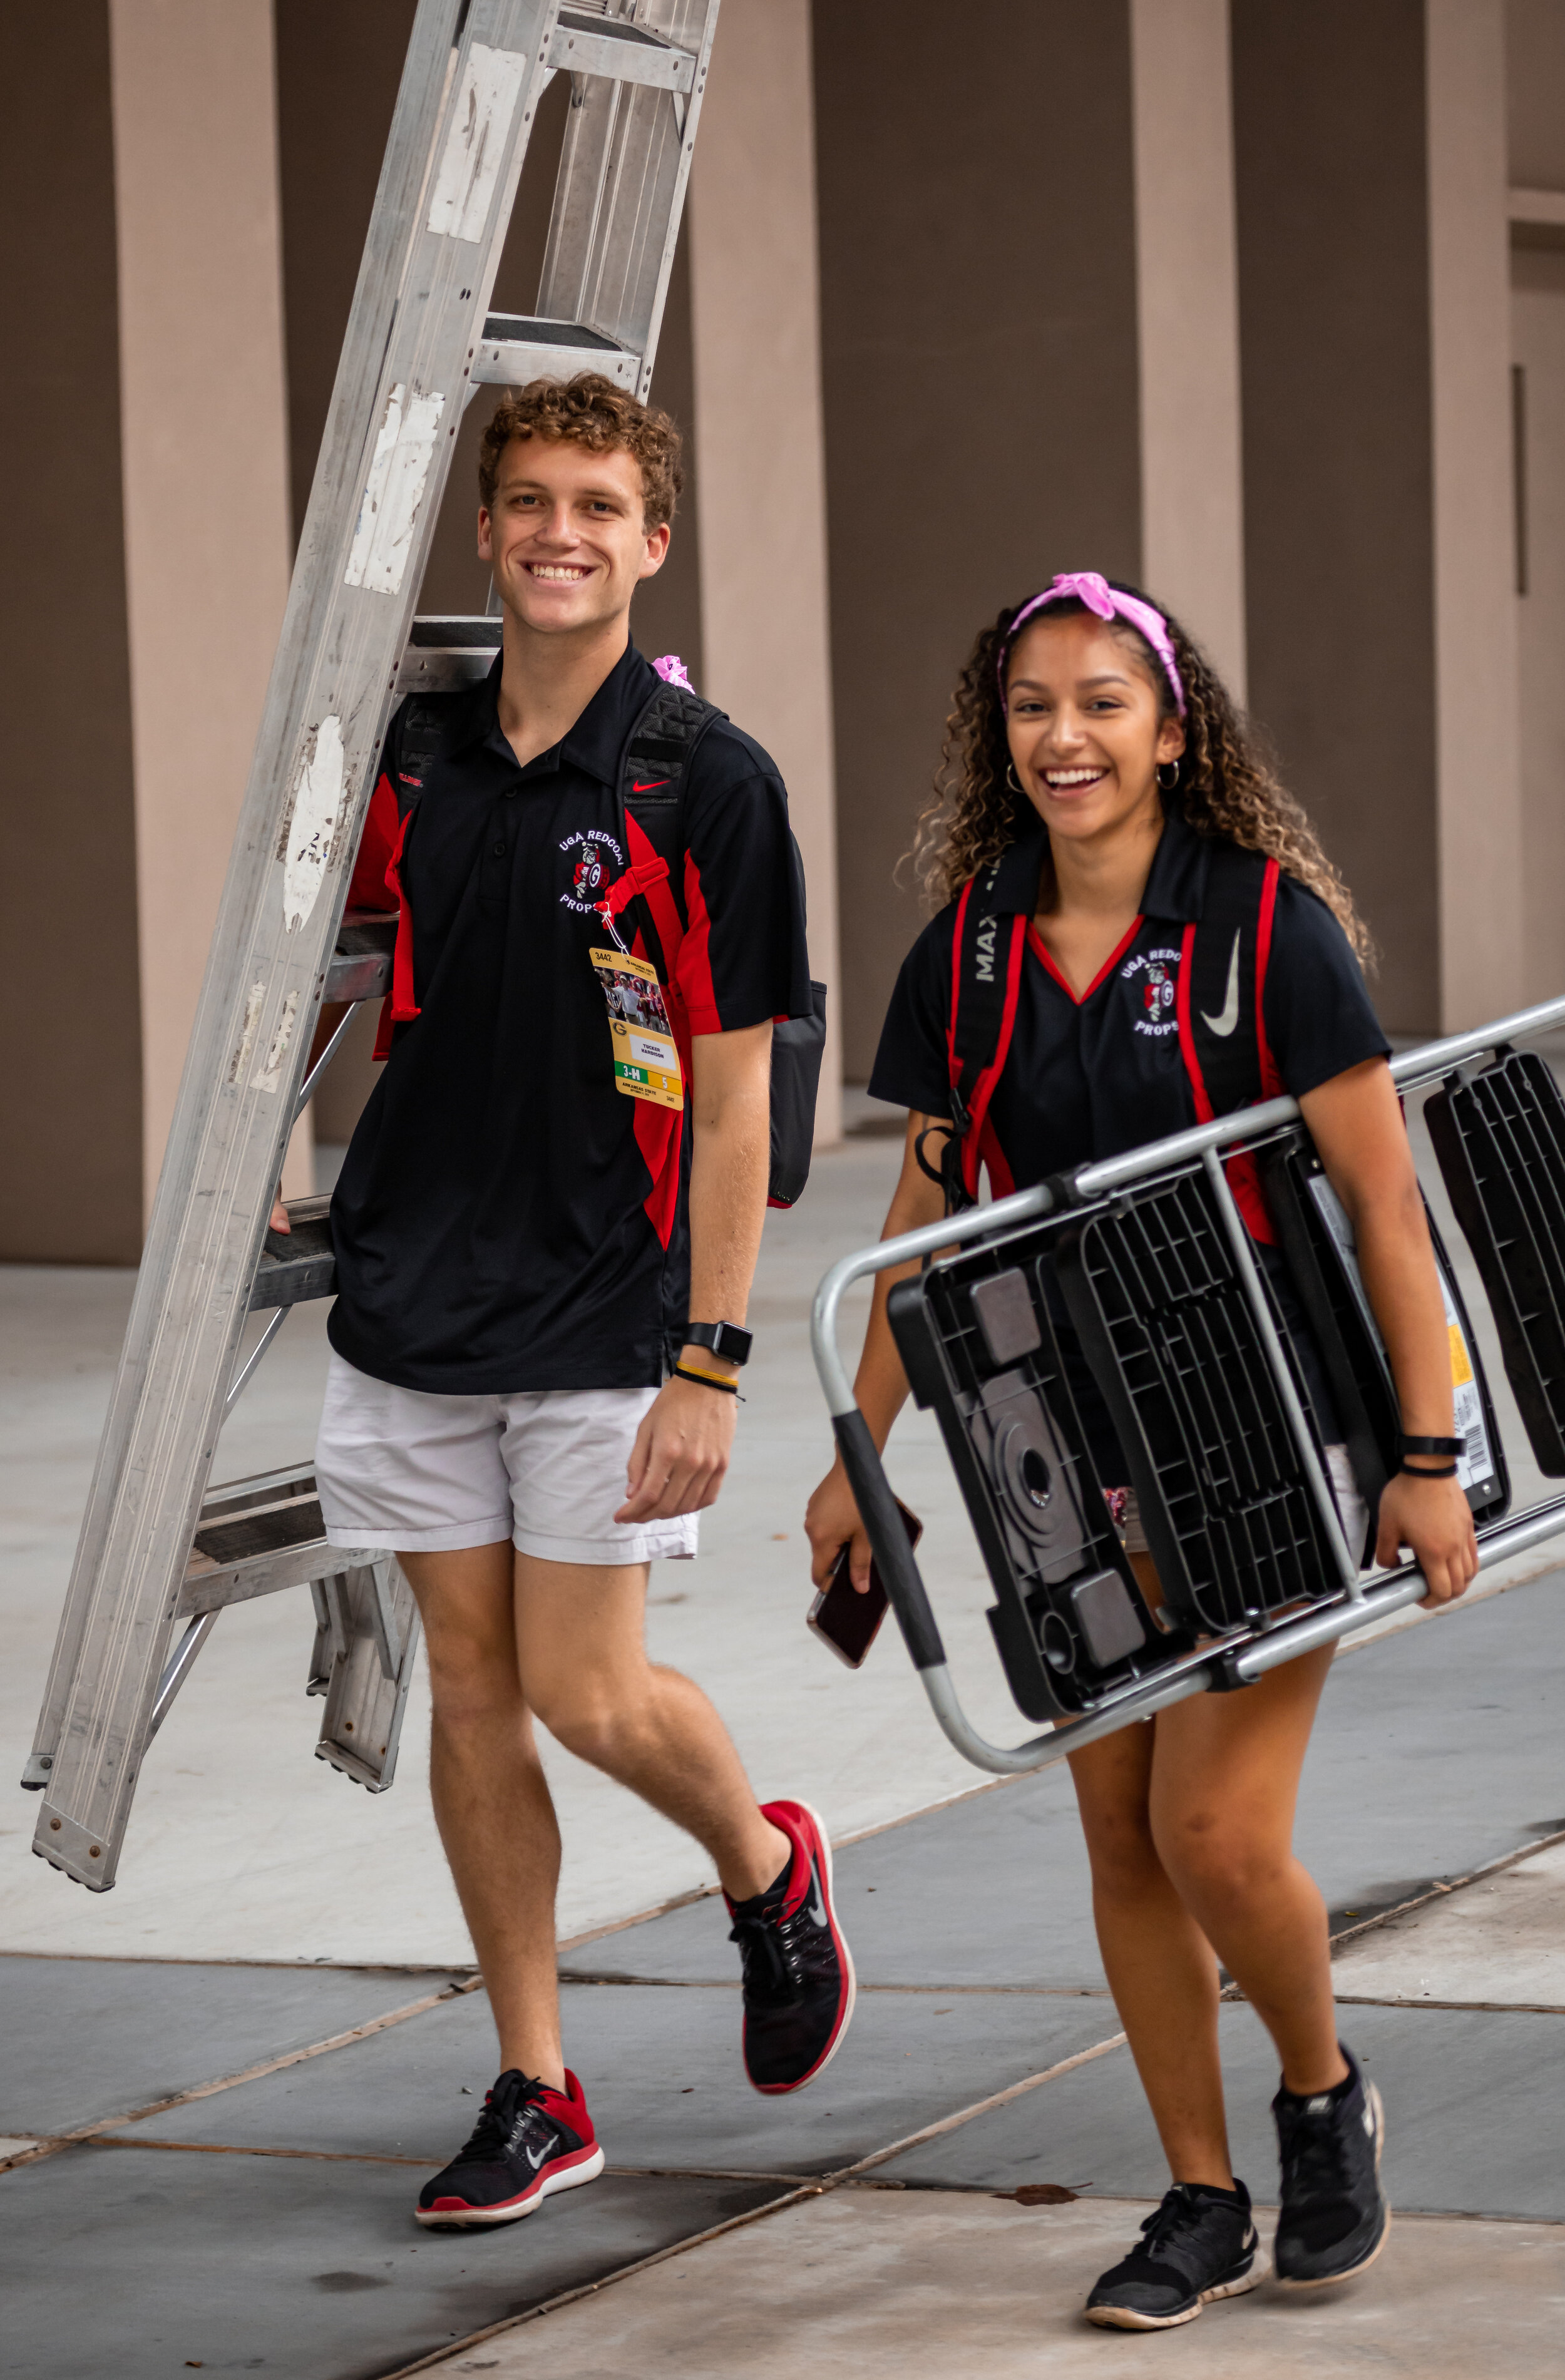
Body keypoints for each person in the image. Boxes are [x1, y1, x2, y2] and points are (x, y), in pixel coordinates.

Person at [804, 573, 1477, 2331]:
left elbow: (1386, 1217)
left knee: (1212, 1829)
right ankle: (1193, 2193)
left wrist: (1424, 1447)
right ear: (994, 733)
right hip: (1063, 1429)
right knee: (1116, 1827)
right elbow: (921, 1210)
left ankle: (1320, 2094)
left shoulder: (1266, 930)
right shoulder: (964, 946)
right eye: (1032, 705)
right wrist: (860, 1454)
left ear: (1172, 729)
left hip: (1273, 1415)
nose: (1065, 737)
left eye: (1102, 701)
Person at [295, 374, 854, 2229]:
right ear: (486, 529)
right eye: (529, 500)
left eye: (597, 506)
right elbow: (338, 979)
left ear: (652, 542)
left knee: (585, 1689)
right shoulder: (412, 762)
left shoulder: (711, 783)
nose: (560, 531)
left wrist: (712, 1355)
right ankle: (537, 2083)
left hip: (613, 1306)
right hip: (413, 1293)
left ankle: (764, 1864)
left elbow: (736, 1092)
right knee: (471, 1691)